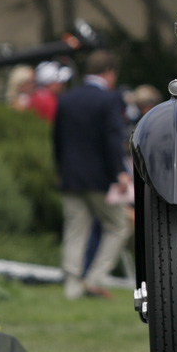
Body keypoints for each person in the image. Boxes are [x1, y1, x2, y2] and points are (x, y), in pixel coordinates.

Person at [53, 49, 131, 300]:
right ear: (109, 72)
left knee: (75, 231)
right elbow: (112, 139)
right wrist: (120, 172)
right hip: (99, 178)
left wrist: (59, 170)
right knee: (119, 225)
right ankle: (95, 279)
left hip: (71, 176)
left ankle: (72, 287)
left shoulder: (66, 99)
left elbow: (57, 139)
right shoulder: (109, 100)